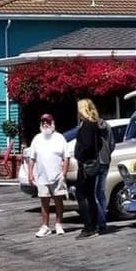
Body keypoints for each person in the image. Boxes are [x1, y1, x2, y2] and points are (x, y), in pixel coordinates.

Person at [73, 98, 113, 238]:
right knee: (97, 194)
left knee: (86, 195)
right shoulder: (101, 125)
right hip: (101, 162)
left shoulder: (87, 125)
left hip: (88, 164)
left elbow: (87, 145)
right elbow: (111, 144)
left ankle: (92, 226)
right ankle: (98, 224)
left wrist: (80, 154)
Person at [26, 112, 69, 236]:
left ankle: (59, 224)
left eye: (48, 122)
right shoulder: (37, 139)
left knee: (58, 201)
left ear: (52, 123)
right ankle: (45, 226)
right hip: (41, 177)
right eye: (43, 122)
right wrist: (30, 173)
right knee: (44, 202)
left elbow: (66, 157)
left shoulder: (60, 138)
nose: (45, 124)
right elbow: (32, 158)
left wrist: (64, 173)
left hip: (57, 176)